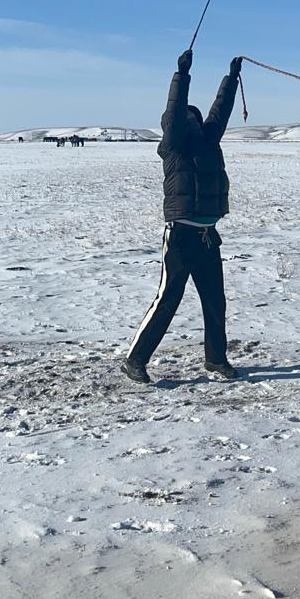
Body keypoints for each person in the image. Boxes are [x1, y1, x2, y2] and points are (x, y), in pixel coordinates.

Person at [122, 49, 243, 384]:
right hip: (180, 235)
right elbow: (174, 112)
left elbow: (220, 113)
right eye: (187, 117)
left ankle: (216, 359)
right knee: (168, 300)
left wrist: (231, 80)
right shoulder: (173, 145)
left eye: (195, 116)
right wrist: (182, 76)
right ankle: (135, 360)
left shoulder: (207, 141)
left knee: (215, 301)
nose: (194, 119)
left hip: (207, 235)